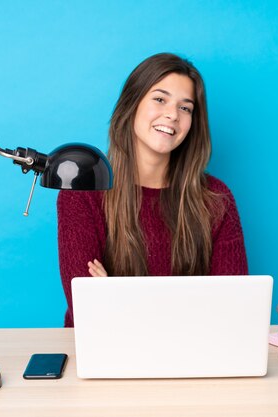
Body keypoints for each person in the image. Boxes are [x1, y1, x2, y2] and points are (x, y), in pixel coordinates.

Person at [56, 53, 248, 327]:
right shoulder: (84, 190)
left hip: (194, 354)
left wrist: (116, 295)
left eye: (185, 108)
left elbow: (231, 307)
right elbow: (89, 310)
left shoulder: (215, 198)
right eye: (160, 99)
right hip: (103, 353)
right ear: (132, 105)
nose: (172, 115)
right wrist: (189, 304)